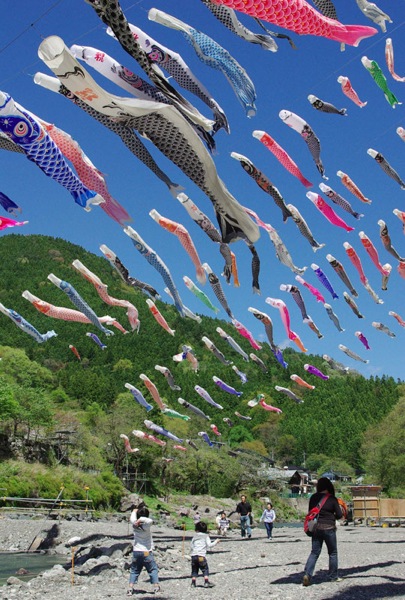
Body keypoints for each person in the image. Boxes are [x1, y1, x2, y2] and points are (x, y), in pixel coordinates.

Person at [302, 477, 343, 587]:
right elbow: (339, 515)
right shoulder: (332, 499)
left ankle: (307, 574)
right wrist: (332, 515)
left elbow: (311, 513)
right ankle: (333, 576)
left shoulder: (313, 498)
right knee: (332, 553)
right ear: (329, 486)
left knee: (314, 552)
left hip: (316, 529)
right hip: (329, 528)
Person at [127, 505, 160, 596]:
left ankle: (130, 588)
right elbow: (150, 520)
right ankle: (156, 587)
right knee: (153, 569)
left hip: (136, 551)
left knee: (134, 570)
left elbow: (132, 518)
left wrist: (134, 512)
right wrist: (140, 519)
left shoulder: (134, 523)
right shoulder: (146, 525)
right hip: (146, 551)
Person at [190, 521, 219, 588]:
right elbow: (209, 545)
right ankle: (206, 582)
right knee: (205, 568)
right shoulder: (206, 536)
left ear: (196, 529)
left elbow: (191, 545)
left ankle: (193, 583)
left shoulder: (194, 536)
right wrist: (216, 541)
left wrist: (193, 551)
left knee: (194, 569)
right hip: (201, 556)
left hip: (194, 556)